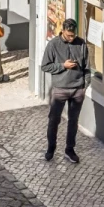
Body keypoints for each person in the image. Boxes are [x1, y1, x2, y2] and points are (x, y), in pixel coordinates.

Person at [40, 19, 90, 164]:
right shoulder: (53, 44)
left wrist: (85, 85)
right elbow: (45, 66)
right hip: (60, 89)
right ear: (63, 31)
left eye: (73, 35)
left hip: (77, 89)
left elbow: (87, 66)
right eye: (69, 35)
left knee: (73, 121)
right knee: (53, 120)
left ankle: (70, 150)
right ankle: (51, 148)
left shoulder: (81, 43)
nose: (71, 38)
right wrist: (63, 66)